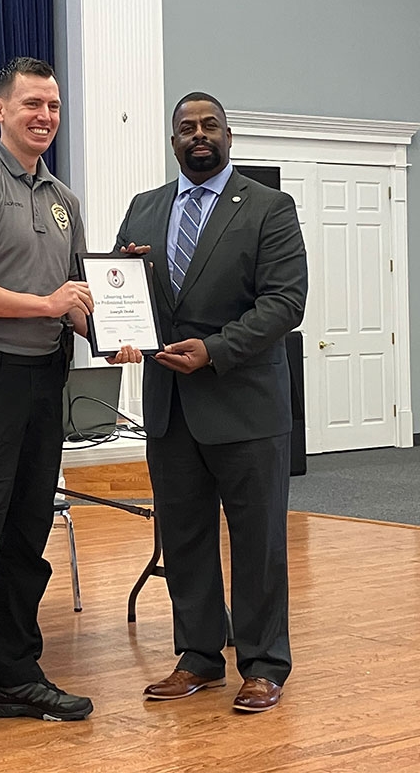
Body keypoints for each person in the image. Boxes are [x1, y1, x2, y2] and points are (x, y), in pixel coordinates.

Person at [0, 56, 140, 757]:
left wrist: (116, 335)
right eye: (32, 105)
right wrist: (46, 305)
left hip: (46, 383)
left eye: (53, 105)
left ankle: (15, 677)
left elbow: (75, 298)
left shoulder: (62, 199)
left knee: (27, 539)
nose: (44, 116)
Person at [115, 92, 308, 713]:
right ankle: (199, 657)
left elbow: (284, 303)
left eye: (209, 126)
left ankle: (263, 663)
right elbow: (120, 291)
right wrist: (120, 330)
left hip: (245, 403)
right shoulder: (144, 209)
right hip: (169, 405)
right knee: (186, 536)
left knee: (257, 541)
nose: (198, 135)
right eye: (185, 128)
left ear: (227, 134)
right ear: (173, 140)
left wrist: (216, 350)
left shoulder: (268, 209)